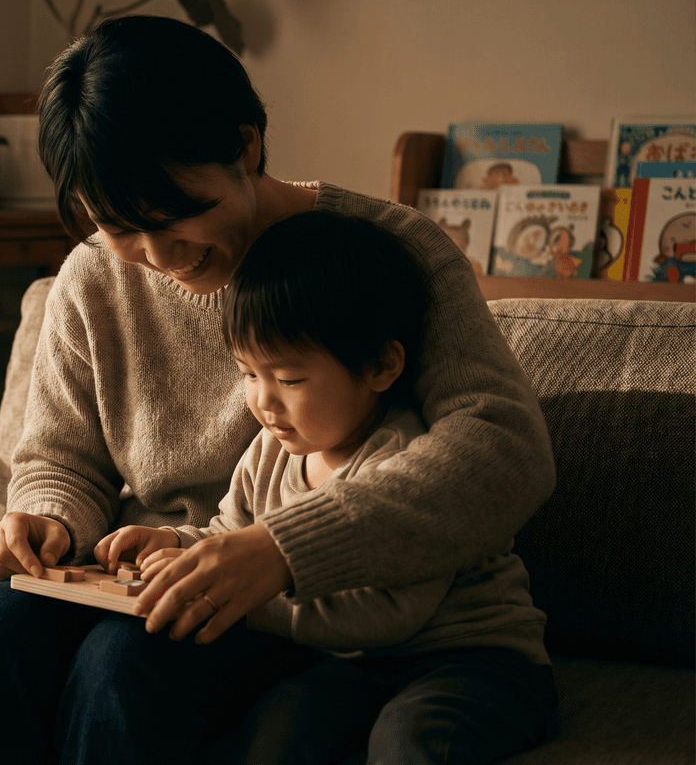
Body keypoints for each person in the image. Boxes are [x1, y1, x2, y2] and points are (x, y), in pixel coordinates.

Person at [0, 15, 556, 765]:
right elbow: (62, 458)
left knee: (123, 664)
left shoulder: (388, 254)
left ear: (245, 146)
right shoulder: (92, 278)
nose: (159, 257)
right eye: (120, 227)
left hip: (304, 609)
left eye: (178, 213)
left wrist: (283, 549)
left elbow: (503, 448)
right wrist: (48, 518)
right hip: (155, 571)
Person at [97, 210, 554, 763]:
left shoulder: (404, 455)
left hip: (472, 660)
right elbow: (232, 533)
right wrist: (178, 547)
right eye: (248, 374)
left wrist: (244, 595)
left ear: (381, 366)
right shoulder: (271, 450)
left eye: (289, 379)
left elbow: (385, 615)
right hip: (347, 665)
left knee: (411, 744)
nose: (264, 402)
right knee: (276, 737)